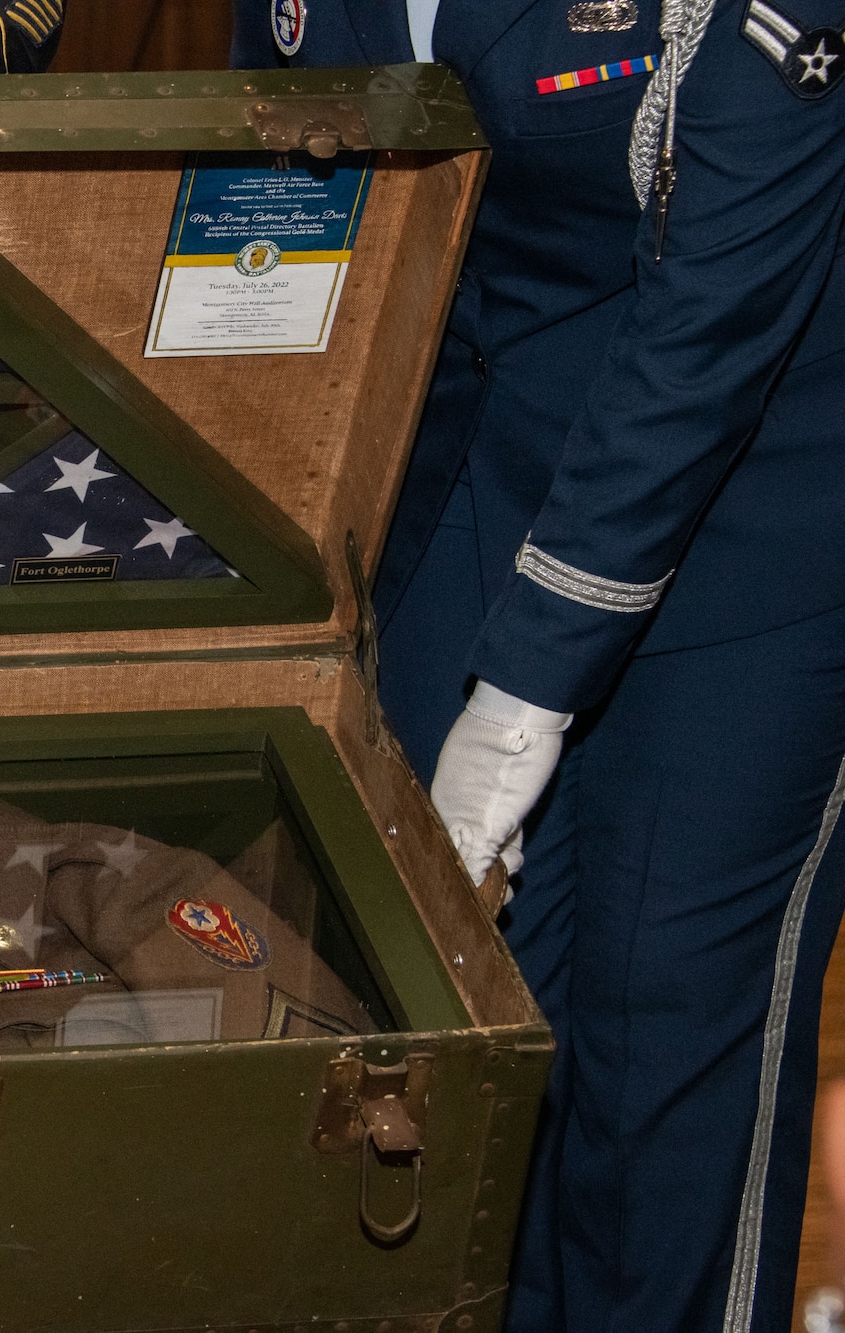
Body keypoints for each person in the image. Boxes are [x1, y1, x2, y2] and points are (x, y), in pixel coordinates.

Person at [237, 0, 844, 1328]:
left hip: (761, 516)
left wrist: (519, 703)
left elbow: (712, 328)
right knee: (472, 1026)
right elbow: (306, 160)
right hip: (486, 453)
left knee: (658, 1055)